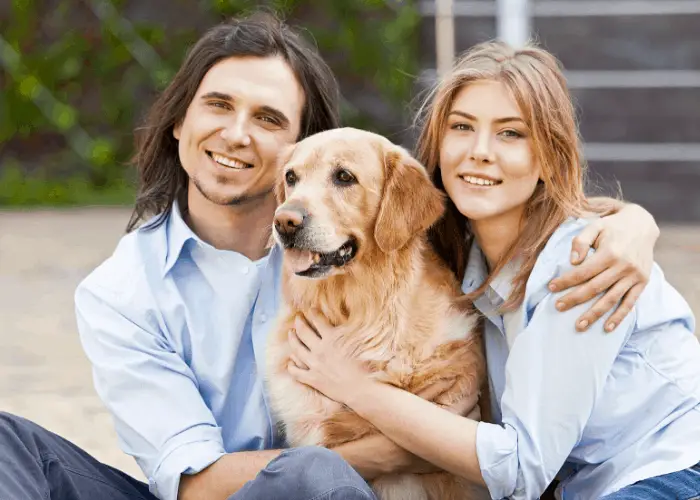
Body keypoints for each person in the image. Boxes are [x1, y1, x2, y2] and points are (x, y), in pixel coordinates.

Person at [0, 12, 662, 500]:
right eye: (218, 106)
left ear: (303, 143)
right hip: (233, 493)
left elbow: (506, 207)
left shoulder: (358, 240)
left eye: (267, 118)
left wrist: (631, 224)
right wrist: (392, 433)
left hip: (335, 492)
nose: (236, 134)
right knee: (8, 440)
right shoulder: (121, 290)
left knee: (316, 478)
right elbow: (195, 484)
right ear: (178, 120)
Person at [285, 40, 700, 500]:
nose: (480, 151)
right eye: (462, 127)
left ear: (548, 156)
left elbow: (522, 469)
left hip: (672, 475)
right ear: (439, 146)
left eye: (510, 133)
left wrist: (359, 390)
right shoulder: (463, 263)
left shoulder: (581, 262)